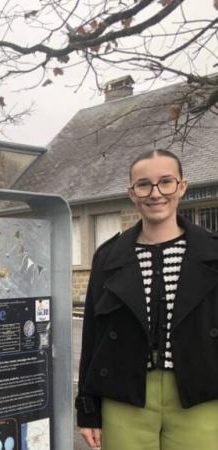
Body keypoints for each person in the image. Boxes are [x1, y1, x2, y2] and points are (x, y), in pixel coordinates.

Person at [76, 149, 218, 449]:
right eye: (144, 185)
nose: (155, 193)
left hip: (201, 393)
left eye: (166, 182)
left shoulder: (214, 253)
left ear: (182, 186)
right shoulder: (107, 257)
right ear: (131, 193)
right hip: (125, 396)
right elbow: (93, 335)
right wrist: (88, 410)